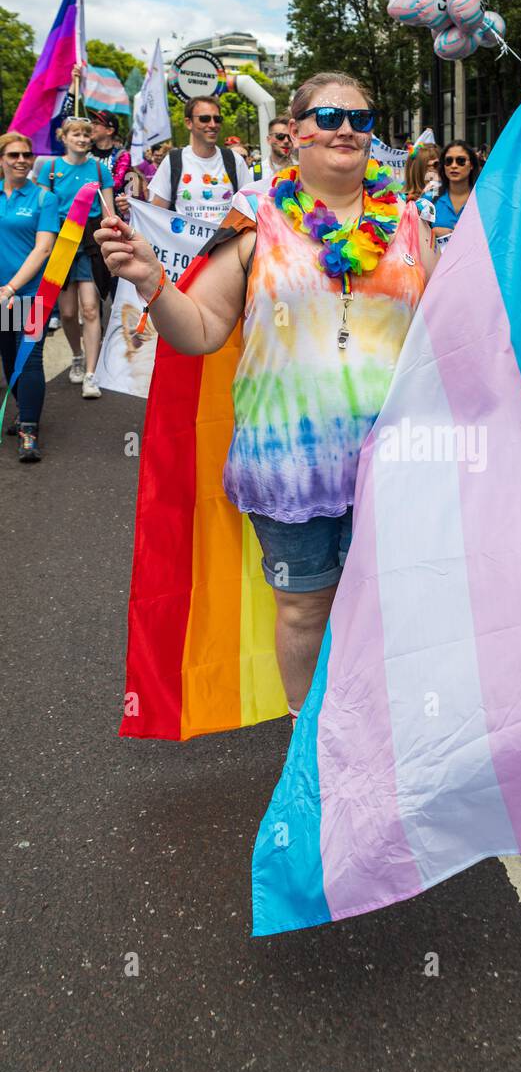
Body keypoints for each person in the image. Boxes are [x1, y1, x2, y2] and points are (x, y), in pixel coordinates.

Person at [97, 70, 439, 719]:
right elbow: (198, 332)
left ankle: (381, 737)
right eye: (330, 117)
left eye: (360, 119)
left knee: (393, 608)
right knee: (305, 608)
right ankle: (308, 746)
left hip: (394, 464)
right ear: (296, 132)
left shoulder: (413, 229)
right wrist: (150, 282)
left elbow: (452, 334)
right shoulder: (257, 226)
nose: (346, 129)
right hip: (290, 465)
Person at [36, 117, 113, 397]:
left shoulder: (99, 169)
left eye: (85, 134)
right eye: (75, 135)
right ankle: (77, 355)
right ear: (64, 138)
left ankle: (91, 374)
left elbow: (109, 211)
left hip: (89, 244)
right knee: (67, 312)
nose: (81, 139)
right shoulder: (50, 169)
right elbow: (40, 207)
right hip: (60, 242)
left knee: (91, 309)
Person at [0, 132, 60, 461]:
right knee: (10, 358)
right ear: (2, 160)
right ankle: (23, 409)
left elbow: (44, 248)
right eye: (14, 155)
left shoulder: (42, 198)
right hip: (2, 299)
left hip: (29, 295)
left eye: (26, 154)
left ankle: (28, 429)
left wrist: (11, 288)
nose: (22, 160)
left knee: (31, 358)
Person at [149, 96, 252, 223]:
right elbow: (156, 213)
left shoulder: (235, 161)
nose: (213, 125)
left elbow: (250, 208)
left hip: (226, 241)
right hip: (185, 241)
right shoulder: (173, 161)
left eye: (217, 119)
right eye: (205, 119)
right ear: (188, 123)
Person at [425, 140, 480, 246]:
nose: (454, 165)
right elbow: (415, 234)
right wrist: (431, 233)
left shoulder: (484, 199)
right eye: (448, 161)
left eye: (461, 161)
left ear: (472, 165)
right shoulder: (429, 197)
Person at [88, 110, 132, 193]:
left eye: (96, 123)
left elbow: (116, 184)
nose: (91, 126)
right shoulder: (85, 152)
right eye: (92, 122)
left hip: (108, 204)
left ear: (109, 131)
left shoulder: (121, 156)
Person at [250, 115, 292, 191]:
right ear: (269, 139)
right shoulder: (255, 173)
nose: (286, 141)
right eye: (280, 136)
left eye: (290, 137)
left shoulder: (302, 170)